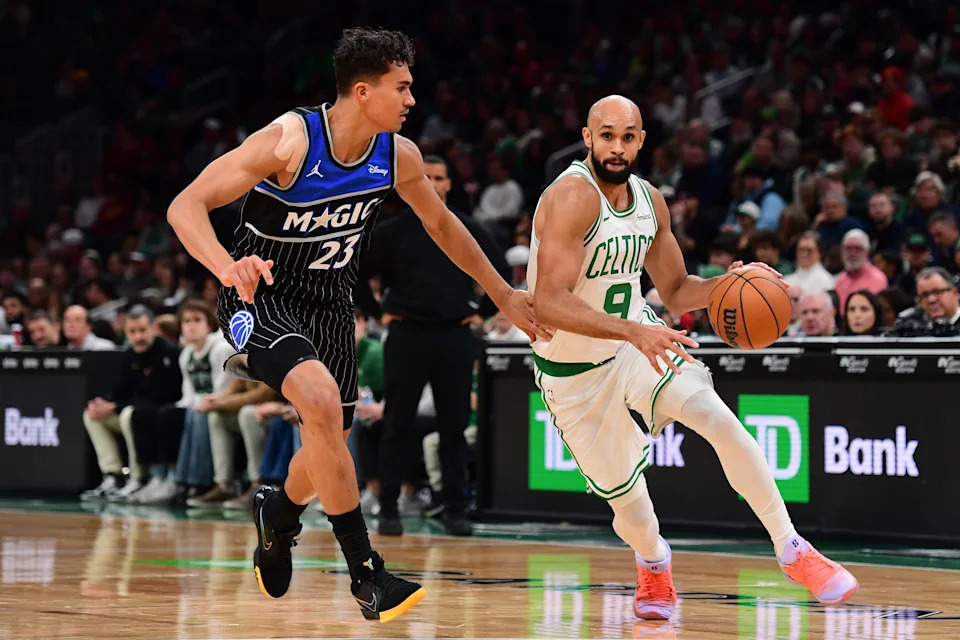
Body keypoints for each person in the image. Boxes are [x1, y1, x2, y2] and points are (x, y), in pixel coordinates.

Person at [166, 27, 546, 622]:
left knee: (329, 443)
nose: (412, 100)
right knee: (317, 401)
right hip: (261, 294)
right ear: (363, 91)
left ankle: (280, 512)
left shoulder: (398, 156)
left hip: (330, 304)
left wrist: (503, 292)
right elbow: (184, 205)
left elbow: (443, 226)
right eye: (403, 87)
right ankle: (367, 574)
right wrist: (227, 265)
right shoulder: (289, 141)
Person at [527, 95, 857, 621]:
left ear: (641, 141)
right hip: (575, 371)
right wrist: (634, 330)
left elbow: (678, 291)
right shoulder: (571, 197)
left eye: (628, 136)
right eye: (606, 135)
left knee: (718, 418)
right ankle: (654, 562)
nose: (617, 146)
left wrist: (730, 285)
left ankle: (793, 548)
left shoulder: (650, 201)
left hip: (637, 345)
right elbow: (547, 301)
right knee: (629, 507)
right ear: (587, 139)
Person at [357, 153, 510, 537]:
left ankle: (455, 507)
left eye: (439, 177)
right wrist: (377, 313)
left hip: (455, 334)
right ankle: (389, 507)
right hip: (406, 333)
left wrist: (482, 312)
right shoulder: (391, 231)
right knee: (397, 422)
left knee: (454, 426)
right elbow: (356, 273)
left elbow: (502, 273)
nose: (433, 183)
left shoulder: (467, 226)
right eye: (424, 177)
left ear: (448, 184)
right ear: (410, 183)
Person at [79, 306, 182, 501]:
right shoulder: (129, 354)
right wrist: (104, 403)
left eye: (142, 330)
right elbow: (123, 389)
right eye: (132, 332)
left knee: (129, 414)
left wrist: (117, 407)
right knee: (92, 416)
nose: (138, 337)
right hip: (134, 411)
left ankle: (137, 477)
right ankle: (113, 476)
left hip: (158, 417)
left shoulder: (168, 352)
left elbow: (163, 395)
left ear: (153, 328)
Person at [834, 229, 889, 312]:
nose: (852, 253)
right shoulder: (840, 279)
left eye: (858, 248)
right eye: (848, 248)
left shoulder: (877, 279)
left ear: (867, 252)